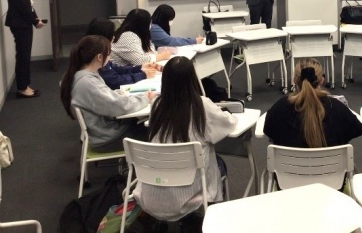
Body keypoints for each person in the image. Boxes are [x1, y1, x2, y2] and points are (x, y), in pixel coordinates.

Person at [132, 56, 236, 223]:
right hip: (189, 193)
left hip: (153, 189)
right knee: (218, 162)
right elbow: (228, 124)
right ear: (192, 79)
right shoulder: (201, 106)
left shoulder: (157, 105)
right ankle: (211, 219)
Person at [60, 35, 156, 152]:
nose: (109, 58)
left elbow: (104, 98)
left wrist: (118, 93)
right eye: (109, 54)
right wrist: (145, 98)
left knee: (146, 121)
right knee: (157, 130)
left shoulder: (84, 74)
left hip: (104, 132)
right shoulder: (88, 83)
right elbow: (118, 106)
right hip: (108, 138)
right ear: (99, 57)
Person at [264, 58, 362, 147]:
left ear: (294, 80)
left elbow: (268, 130)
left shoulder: (280, 107)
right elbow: (358, 129)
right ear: (321, 80)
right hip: (331, 164)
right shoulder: (337, 107)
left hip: (288, 164)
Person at [1, 0, 45, 98]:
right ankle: (22, 88)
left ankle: (24, 85)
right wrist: (35, 21)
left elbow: (28, 4)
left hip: (23, 22)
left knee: (24, 55)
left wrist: (35, 18)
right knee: (23, 56)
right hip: (20, 23)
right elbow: (22, 5)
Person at [85, 17, 160, 90]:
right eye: (111, 35)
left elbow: (117, 69)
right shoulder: (96, 57)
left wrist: (140, 68)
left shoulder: (94, 50)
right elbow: (114, 81)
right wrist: (142, 75)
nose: (113, 37)